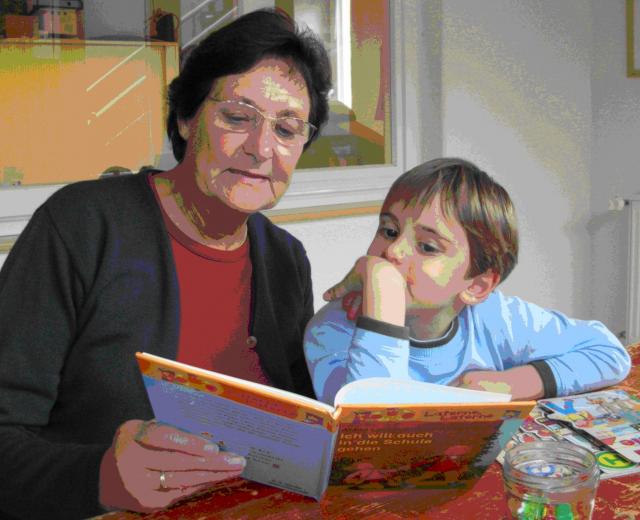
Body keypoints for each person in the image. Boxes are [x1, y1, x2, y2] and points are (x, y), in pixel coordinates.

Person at [0, 9, 330, 519]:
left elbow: (299, 430)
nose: (262, 148)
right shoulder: (81, 226)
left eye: (287, 129)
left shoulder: (287, 259)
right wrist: (102, 478)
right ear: (186, 118)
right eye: (237, 117)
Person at [304, 158, 631, 405]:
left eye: (427, 247)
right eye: (389, 231)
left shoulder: (496, 318)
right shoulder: (333, 328)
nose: (393, 251)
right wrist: (383, 299)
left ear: (476, 287)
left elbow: (607, 352)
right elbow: (372, 435)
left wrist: (510, 384)